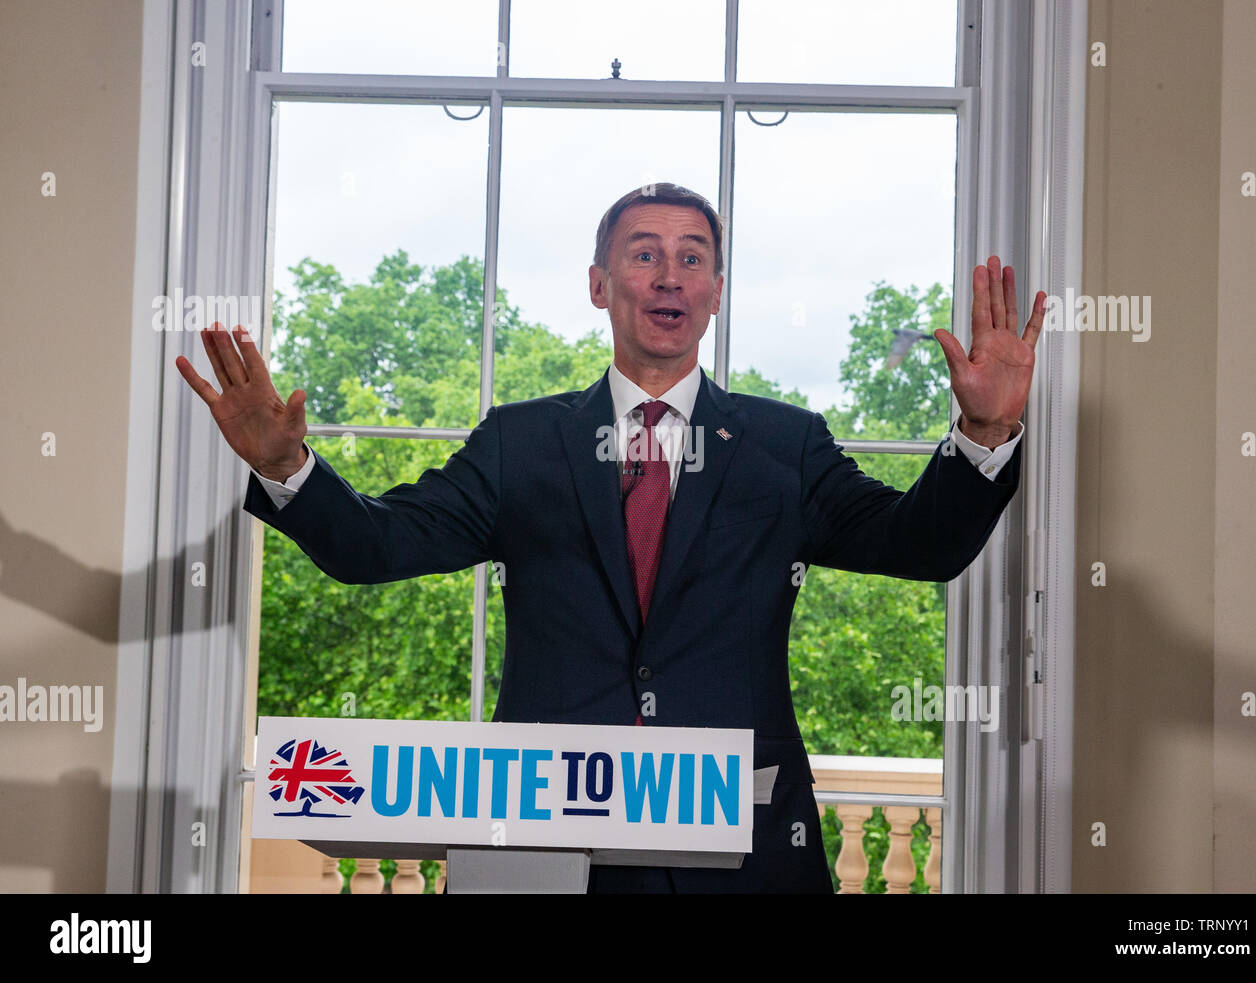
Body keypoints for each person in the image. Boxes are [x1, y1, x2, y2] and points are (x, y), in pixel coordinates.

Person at [177, 183, 1045, 893]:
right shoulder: (520, 445)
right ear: (601, 284)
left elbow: (919, 544)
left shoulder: (788, 446)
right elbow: (378, 546)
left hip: (745, 854)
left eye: (691, 258)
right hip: (549, 855)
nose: (669, 275)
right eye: (644, 254)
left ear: (714, 290)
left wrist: (981, 433)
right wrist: (289, 466)